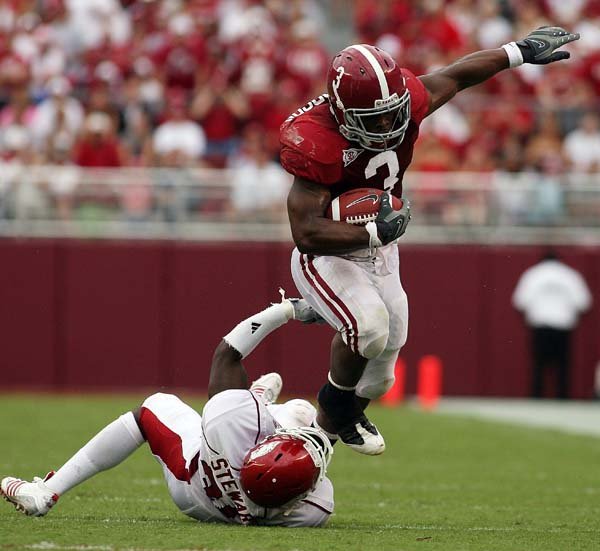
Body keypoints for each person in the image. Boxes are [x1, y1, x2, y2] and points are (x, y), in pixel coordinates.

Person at [280, 28, 580, 455]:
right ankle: (327, 414)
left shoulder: (406, 101)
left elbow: (456, 75)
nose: (388, 125)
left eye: (393, 112)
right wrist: (368, 230)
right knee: (368, 329)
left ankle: (334, 422)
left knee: (383, 375)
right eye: (374, 118)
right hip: (328, 251)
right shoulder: (314, 139)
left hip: (380, 248)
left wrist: (517, 52)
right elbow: (304, 233)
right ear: (343, 112)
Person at [1, 294, 335, 527]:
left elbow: (228, 352)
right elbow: (322, 438)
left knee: (153, 407)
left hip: (194, 486)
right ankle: (261, 400)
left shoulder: (229, 424)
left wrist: (286, 310)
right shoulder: (316, 508)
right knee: (301, 412)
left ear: (260, 445)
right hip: (231, 502)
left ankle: (47, 490)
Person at [512, 250, 592, 399]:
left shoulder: (533, 274)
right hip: (563, 326)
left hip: (540, 325)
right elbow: (583, 303)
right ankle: (562, 397)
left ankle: (536, 397)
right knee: (563, 367)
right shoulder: (570, 275)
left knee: (538, 366)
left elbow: (520, 301)